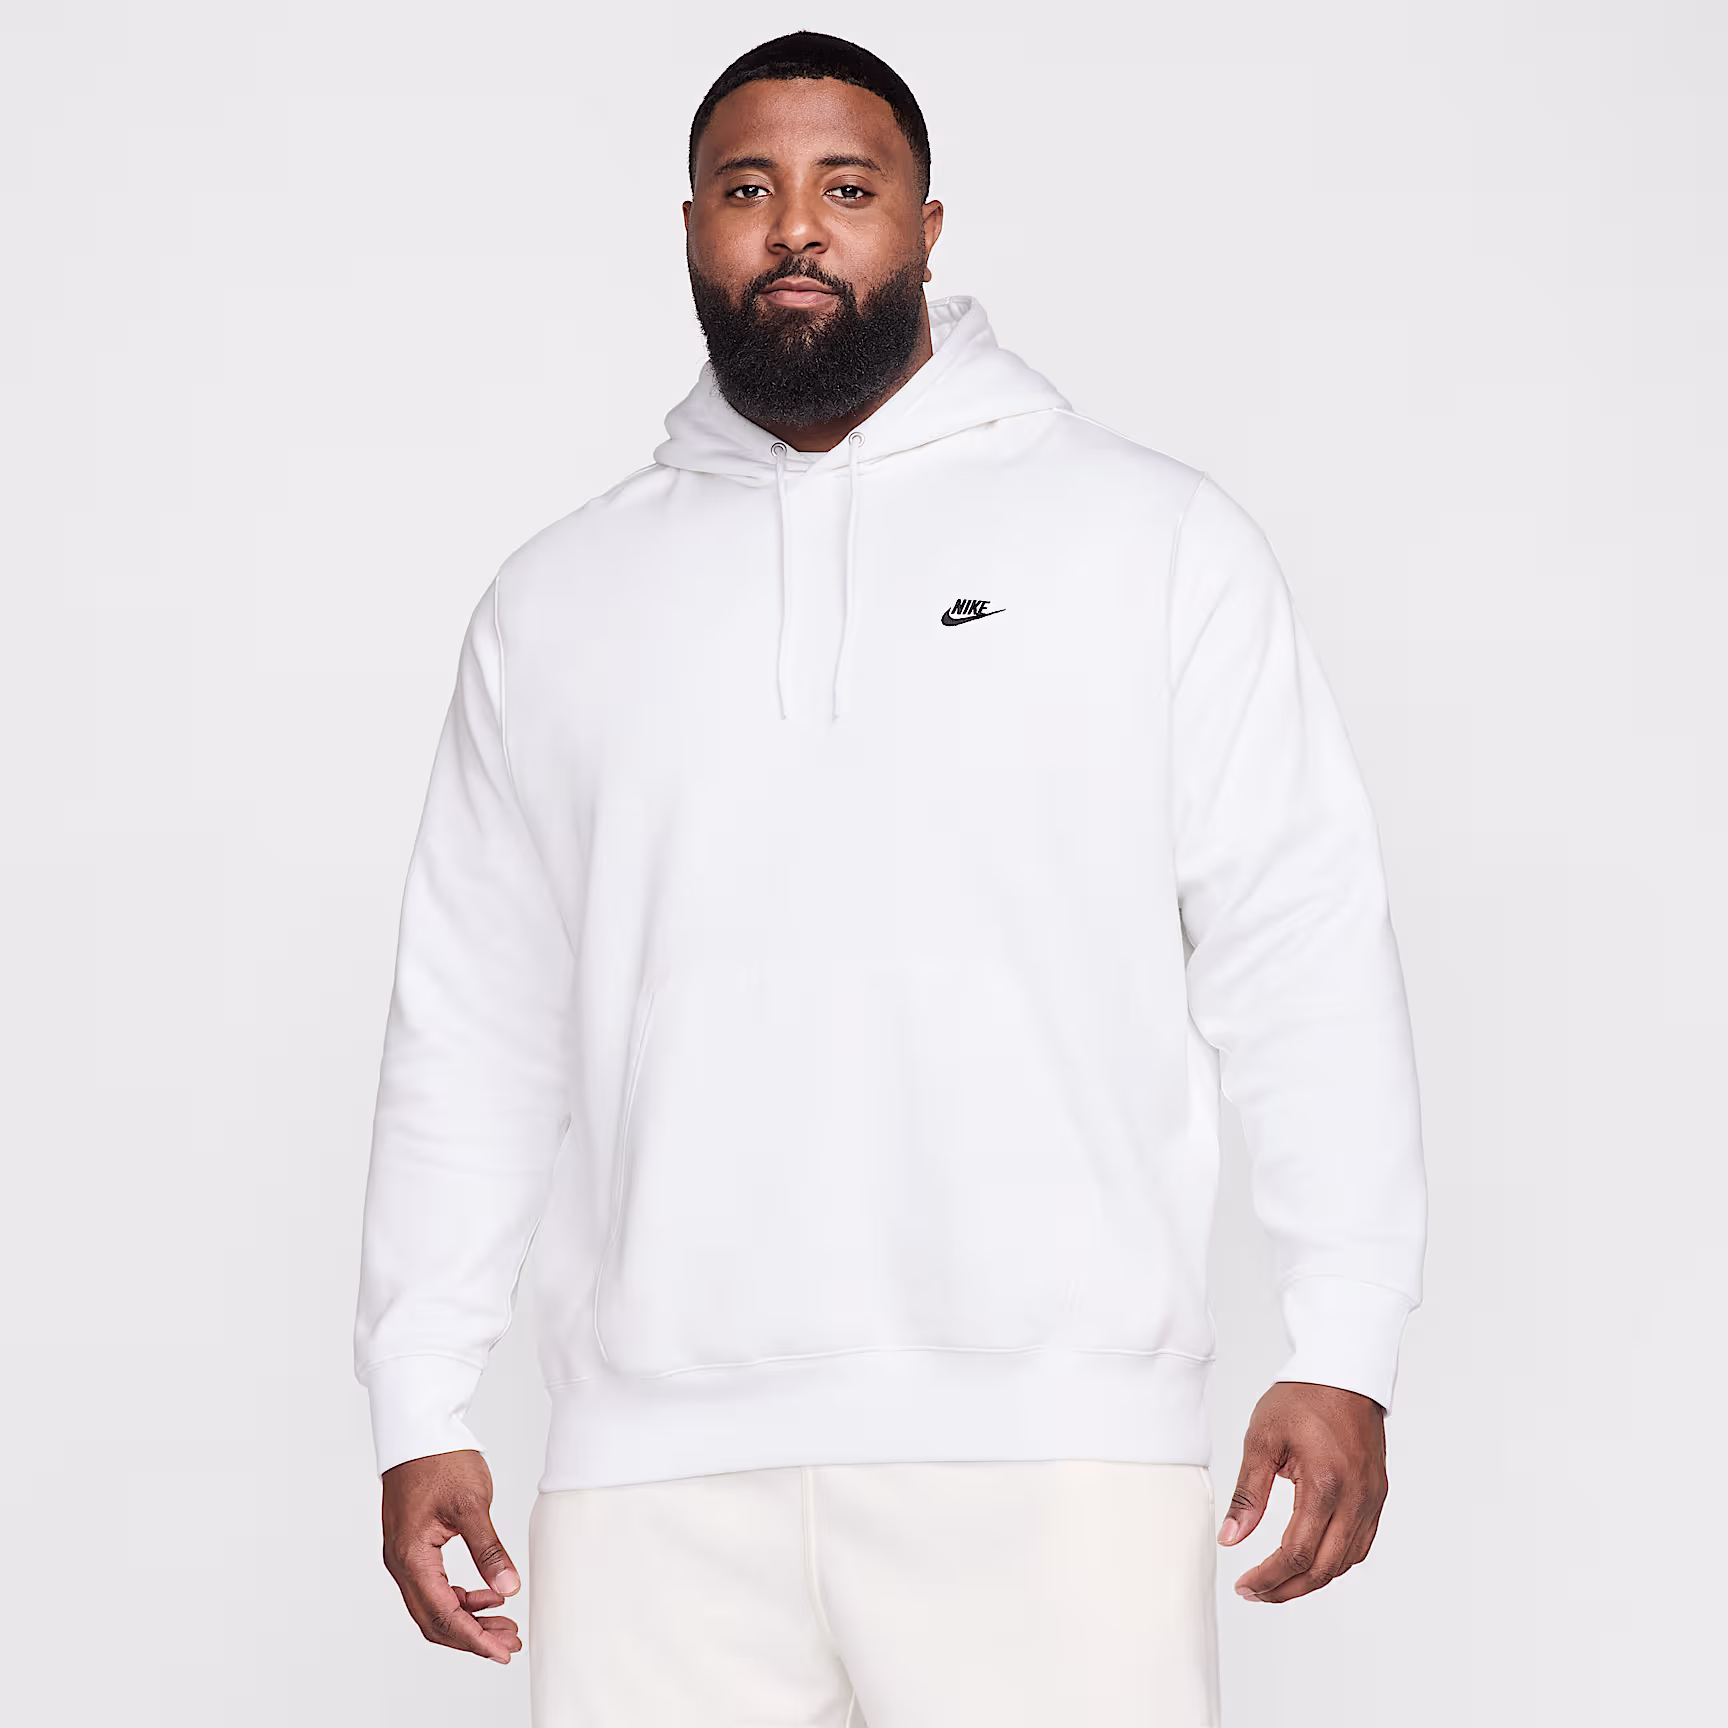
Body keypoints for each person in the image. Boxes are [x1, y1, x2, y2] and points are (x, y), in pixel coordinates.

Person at [353, 30, 1427, 1726]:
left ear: (926, 226)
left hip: (1056, 1448)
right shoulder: (558, 601)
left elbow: (1298, 945)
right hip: (651, 1473)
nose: (796, 226)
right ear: (691, 229)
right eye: (748, 188)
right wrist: (419, 1391)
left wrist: (1345, 1337)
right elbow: (472, 1016)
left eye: (846, 188)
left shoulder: (1148, 539)